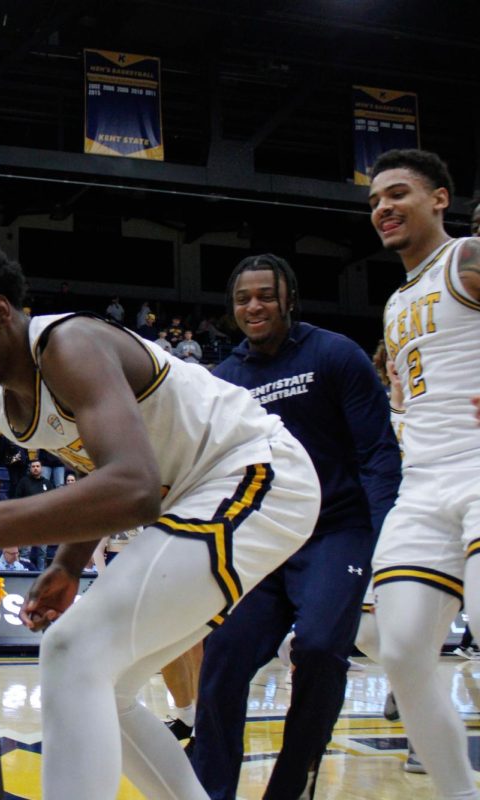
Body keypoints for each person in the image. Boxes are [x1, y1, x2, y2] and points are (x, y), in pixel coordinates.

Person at [0, 238, 320, 800]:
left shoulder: (68, 344)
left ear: (1, 313)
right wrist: (69, 560)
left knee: (73, 650)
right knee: (110, 683)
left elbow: (133, 487)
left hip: (256, 471)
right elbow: (98, 471)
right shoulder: (7, 411)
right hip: (201, 494)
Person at [189, 254, 401, 799]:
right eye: (243, 299)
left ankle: (291, 783)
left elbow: (378, 454)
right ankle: (210, 792)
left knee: (320, 646)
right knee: (223, 658)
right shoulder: (226, 378)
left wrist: (380, 543)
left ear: (290, 300)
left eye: (265, 295)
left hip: (338, 530)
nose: (253, 306)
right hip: (266, 539)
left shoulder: (335, 354)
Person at [364, 148, 480, 800]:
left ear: (439, 198)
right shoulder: (396, 301)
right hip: (423, 486)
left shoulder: (466, 257)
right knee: (401, 650)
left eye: (398, 193)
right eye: (376, 200)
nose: (383, 207)